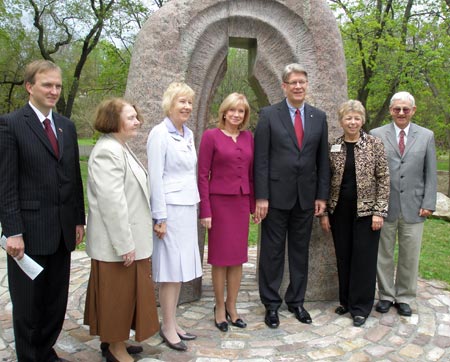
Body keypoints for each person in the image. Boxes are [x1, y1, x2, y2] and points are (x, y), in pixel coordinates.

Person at [0, 60, 85, 362]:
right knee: (28, 304)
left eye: (58, 86)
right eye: (47, 85)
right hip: (30, 232)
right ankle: (29, 356)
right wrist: (13, 231)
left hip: (61, 230)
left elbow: (74, 177)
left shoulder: (66, 126)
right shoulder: (10, 125)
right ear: (29, 86)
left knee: (54, 301)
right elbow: (6, 183)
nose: (54, 91)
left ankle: (46, 351)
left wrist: (78, 219)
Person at [254, 63, 330, 328]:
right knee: (272, 253)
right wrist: (261, 196)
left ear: (306, 85)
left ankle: (296, 301)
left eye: (302, 82)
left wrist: (322, 196)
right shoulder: (268, 115)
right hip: (275, 197)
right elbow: (260, 159)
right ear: (284, 86)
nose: (298, 86)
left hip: (306, 198)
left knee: (300, 252)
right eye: (293, 82)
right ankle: (271, 305)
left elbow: (322, 161)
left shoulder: (318, 117)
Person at [83, 98, 159, 362]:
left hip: (127, 238)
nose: (137, 121)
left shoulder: (120, 147)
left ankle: (116, 342)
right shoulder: (108, 151)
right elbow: (111, 203)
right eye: (131, 117)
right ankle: (115, 349)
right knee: (116, 297)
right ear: (113, 121)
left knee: (124, 296)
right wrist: (124, 244)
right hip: (116, 243)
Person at [319, 100, 390, 327]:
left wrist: (379, 211)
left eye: (356, 117)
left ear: (363, 120)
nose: (352, 122)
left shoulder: (374, 144)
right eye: (348, 118)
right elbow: (327, 180)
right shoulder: (334, 147)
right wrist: (325, 214)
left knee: (364, 259)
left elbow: (384, 178)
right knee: (344, 257)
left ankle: (361, 308)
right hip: (340, 211)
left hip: (367, 213)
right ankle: (347, 302)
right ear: (341, 121)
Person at [370, 91, 437, 317]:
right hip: (384, 207)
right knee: (384, 254)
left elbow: (431, 172)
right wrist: (373, 206)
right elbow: (371, 174)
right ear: (390, 110)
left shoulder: (426, 136)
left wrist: (429, 202)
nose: (401, 113)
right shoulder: (376, 134)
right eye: (397, 109)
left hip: (414, 206)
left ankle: (405, 297)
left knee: (410, 254)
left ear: (413, 111)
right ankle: (387, 295)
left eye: (405, 109)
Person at [147, 82, 202, 351]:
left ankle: (173, 320)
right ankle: (167, 326)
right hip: (169, 211)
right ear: (170, 103)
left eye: (190, 102)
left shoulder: (188, 133)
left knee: (179, 270)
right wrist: (160, 217)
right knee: (169, 270)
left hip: (187, 207)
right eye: (182, 101)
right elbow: (155, 177)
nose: (187, 107)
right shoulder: (159, 134)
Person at [198, 93, 257, 332]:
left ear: (245, 115)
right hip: (219, 204)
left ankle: (232, 306)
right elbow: (202, 175)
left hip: (241, 203)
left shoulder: (248, 137)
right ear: (224, 111)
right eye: (232, 110)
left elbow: (252, 176)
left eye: (241, 111)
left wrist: (253, 206)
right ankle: (219, 307)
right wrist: (206, 210)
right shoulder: (210, 137)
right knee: (220, 260)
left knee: (237, 258)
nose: (236, 115)